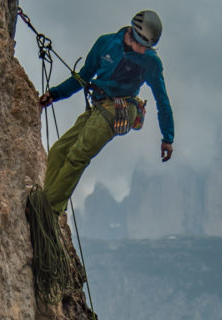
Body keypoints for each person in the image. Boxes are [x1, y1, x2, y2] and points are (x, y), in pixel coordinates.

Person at [38, 10, 174, 214]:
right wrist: (55, 94)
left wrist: (167, 137)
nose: (143, 50)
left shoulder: (151, 62)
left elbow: (162, 99)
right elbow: (83, 76)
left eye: (148, 47)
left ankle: (48, 209)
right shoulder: (106, 44)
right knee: (59, 150)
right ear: (132, 34)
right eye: (141, 45)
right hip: (100, 105)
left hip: (123, 108)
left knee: (78, 154)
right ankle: (47, 199)